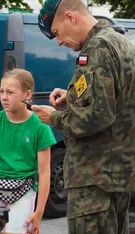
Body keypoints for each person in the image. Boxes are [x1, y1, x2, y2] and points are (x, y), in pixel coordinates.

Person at [33, 0, 135, 233]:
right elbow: (119, 95)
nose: (59, 41)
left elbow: (98, 116)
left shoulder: (97, 49)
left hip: (93, 180)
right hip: (116, 176)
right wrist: (70, 96)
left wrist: (55, 118)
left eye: (57, 33)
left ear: (71, 17)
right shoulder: (119, 41)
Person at [0, 69, 56, 234]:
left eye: (10, 92)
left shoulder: (40, 127)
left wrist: (39, 212)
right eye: (1, 91)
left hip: (24, 191)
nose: (4, 97)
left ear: (27, 95)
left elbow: (44, 173)